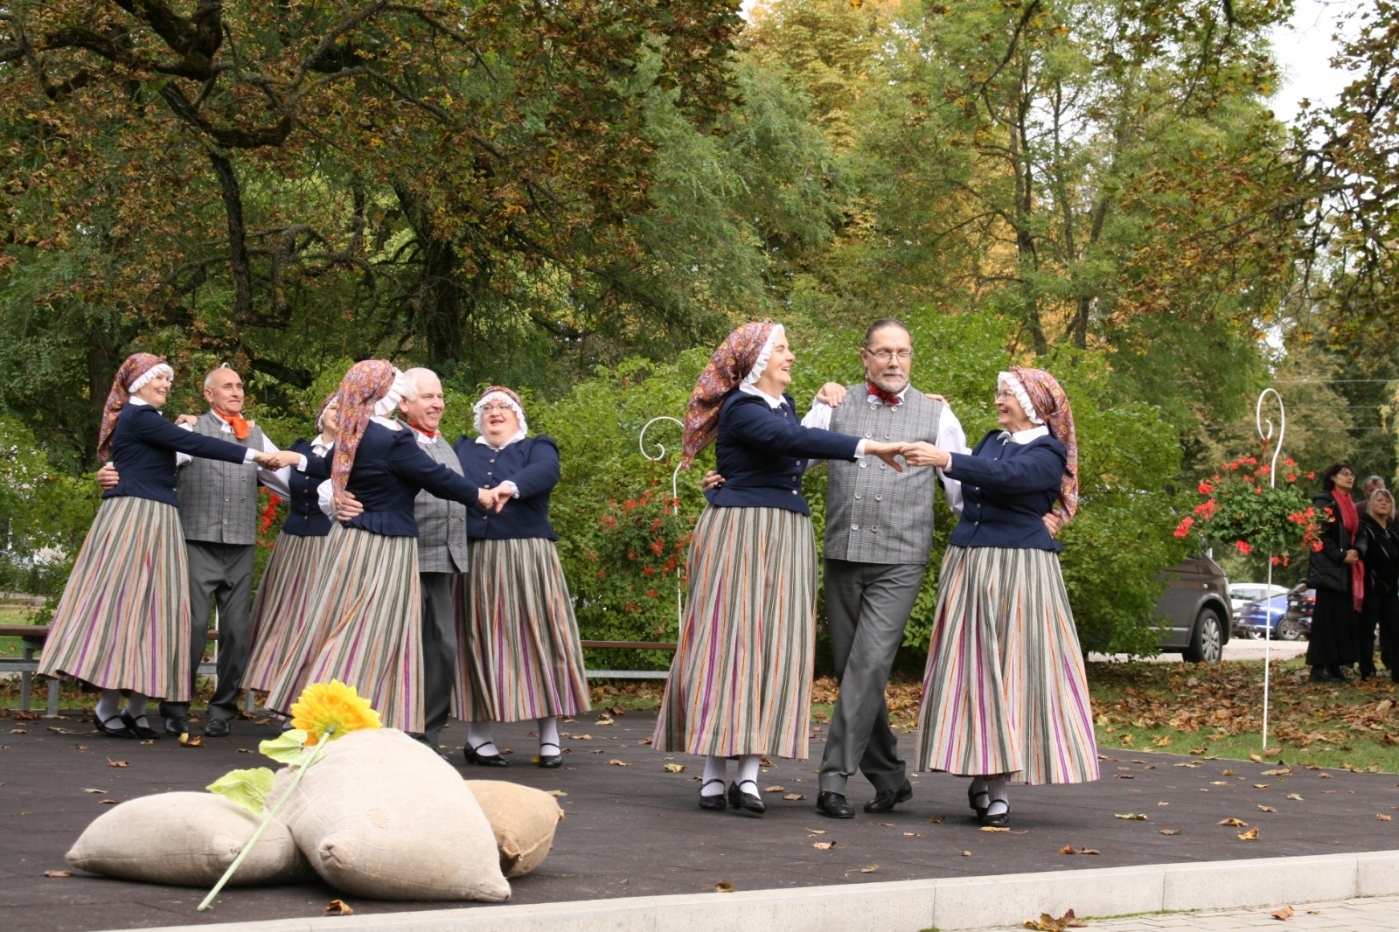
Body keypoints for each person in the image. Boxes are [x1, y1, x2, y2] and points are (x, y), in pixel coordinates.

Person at [652, 321, 908, 815]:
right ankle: (712, 772)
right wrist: (873, 446)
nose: (791, 356)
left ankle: (747, 776)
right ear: (757, 361)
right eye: (782, 349)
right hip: (742, 534)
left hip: (785, 535)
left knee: (771, 646)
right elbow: (794, 443)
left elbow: (795, 438)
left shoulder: (783, 407)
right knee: (729, 643)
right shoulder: (742, 409)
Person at [39, 355, 292, 739]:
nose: (165, 385)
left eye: (240, 386)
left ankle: (146, 709)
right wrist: (251, 453)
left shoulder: (163, 423)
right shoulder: (151, 420)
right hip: (158, 526)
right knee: (149, 616)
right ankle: (137, 707)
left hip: (189, 530)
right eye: (158, 378)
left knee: (167, 618)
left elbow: (288, 483)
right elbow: (178, 449)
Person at [902, 366, 1098, 828]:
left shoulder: (1049, 452)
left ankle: (1000, 788)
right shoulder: (992, 441)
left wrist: (947, 459)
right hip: (971, 564)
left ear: (1031, 404)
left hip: (1020, 571)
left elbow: (1008, 477)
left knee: (1011, 670)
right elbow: (978, 472)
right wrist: (943, 420)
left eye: (1006, 394)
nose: (998, 400)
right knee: (973, 671)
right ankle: (984, 770)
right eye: (998, 392)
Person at [797, 319, 967, 819]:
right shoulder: (835, 403)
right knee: (854, 669)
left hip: (900, 559)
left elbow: (961, 490)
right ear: (864, 356)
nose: (895, 362)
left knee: (868, 666)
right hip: (842, 554)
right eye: (884, 353)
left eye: (903, 353)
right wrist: (736, 477)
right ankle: (891, 777)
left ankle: (833, 779)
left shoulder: (937, 413)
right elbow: (793, 457)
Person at [98, 364, 317, 737]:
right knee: (192, 627)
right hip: (196, 540)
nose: (236, 392)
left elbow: (285, 483)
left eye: (240, 385)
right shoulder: (187, 428)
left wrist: (335, 492)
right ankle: (176, 707)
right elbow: (149, 463)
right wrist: (110, 471)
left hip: (240, 545)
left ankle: (223, 709)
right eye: (227, 386)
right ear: (208, 395)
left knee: (236, 632)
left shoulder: (257, 437)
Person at [294, 360, 487, 733]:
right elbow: (434, 478)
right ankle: (354, 723)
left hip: (400, 551)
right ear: (391, 397)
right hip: (388, 550)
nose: (436, 403)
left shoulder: (362, 431)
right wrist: (480, 495)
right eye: (424, 395)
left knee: (384, 637)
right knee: (374, 636)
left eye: (439, 396)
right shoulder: (387, 436)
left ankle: (400, 727)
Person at [450, 386, 591, 768]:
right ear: (479, 417)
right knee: (478, 641)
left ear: (518, 415)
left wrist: (509, 487)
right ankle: (478, 737)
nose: (495, 411)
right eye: (488, 407)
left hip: (528, 556)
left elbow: (547, 472)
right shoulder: (462, 449)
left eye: (504, 406)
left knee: (539, 637)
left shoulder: (537, 446)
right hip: (475, 558)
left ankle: (549, 736)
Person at [242, 393, 337, 715]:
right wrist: (247, 427)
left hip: (329, 545)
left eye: (344, 409)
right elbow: (268, 464)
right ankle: (287, 698)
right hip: (293, 544)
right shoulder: (298, 449)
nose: (338, 414)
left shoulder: (351, 452)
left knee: (318, 622)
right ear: (321, 415)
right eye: (332, 408)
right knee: (286, 620)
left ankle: (313, 701)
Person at [1305, 463, 1368, 683]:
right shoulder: (1325, 502)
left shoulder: (1350, 503)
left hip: (1348, 569)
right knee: (1326, 618)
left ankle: (1334, 665)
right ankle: (1319, 667)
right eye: (1345, 474)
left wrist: (1357, 551)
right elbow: (1320, 536)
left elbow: (1360, 532)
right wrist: (1341, 556)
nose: (1350, 478)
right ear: (1333, 477)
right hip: (1329, 569)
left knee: (1341, 619)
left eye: (1352, 474)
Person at [1362, 488, 1399, 683]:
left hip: (1391, 587)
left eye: (1387, 501)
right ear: (1371, 504)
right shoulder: (1365, 526)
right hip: (1370, 584)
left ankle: (1396, 671)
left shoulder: (1393, 529)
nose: (1384, 503)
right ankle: (1367, 670)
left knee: (1395, 629)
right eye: (1379, 500)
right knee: (1367, 630)